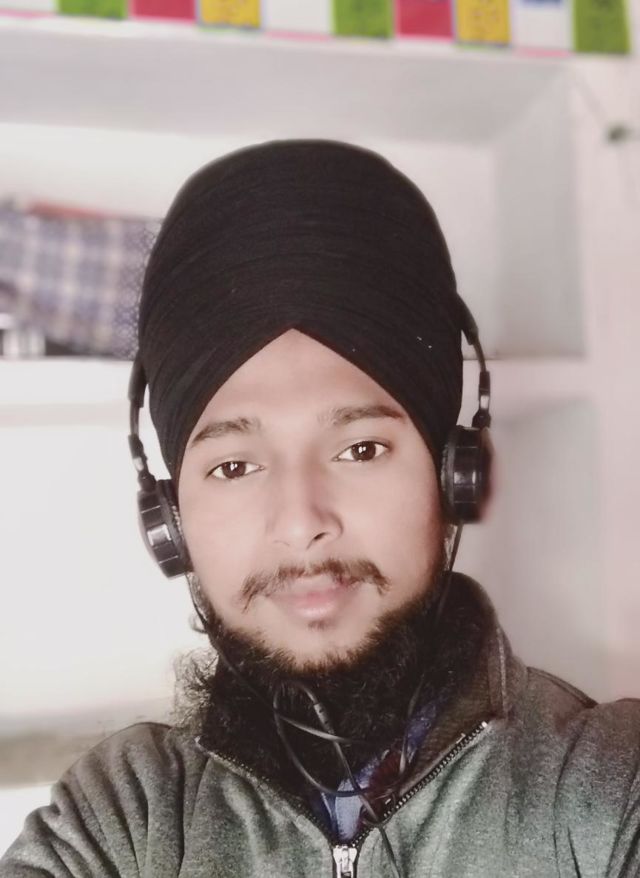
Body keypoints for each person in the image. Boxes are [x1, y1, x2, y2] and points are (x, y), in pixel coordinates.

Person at [2, 140, 639, 878]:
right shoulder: (120, 817)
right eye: (234, 466)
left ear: (452, 479)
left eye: (360, 449)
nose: (302, 522)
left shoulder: (607, 788)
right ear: (169, 520)